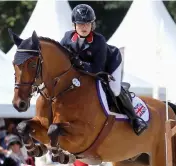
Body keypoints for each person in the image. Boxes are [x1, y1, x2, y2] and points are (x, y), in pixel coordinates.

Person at [60, 4, 147, 135]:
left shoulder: (99, 40)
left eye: (87, 24)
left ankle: (135, 120)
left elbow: (97, 68)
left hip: (110, 64)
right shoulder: (67, 38)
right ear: (74, 25)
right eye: (81, 24)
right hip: (83, 71)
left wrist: (79, 63)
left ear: (92, 25)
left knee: (115, 90)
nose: (84, 27)